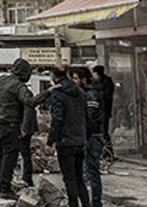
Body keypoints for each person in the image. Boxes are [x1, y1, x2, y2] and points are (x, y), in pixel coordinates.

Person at [0, 58, 37, 200]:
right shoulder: (19, 87)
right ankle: (5, 188)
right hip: (11, 127)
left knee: (3, 157)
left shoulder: (1, 81)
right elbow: (30, 103)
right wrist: (48, 92)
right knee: (9, 158)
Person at [47, 66, 90, 207]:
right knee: (79, 178)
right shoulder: (81, 92)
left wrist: (50, 141)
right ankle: (86, 204)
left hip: (65, 142)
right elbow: (85, 116)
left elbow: (57, 119)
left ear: (54, 76)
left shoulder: (58, 93)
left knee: (69, 178)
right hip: (79, 140)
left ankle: (73, 204)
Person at [74, 66, 105, 207]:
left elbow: (91, 118)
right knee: (87, 171)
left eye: (76, 79)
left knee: (92, 171)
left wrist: (85, 136)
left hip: (93, 137)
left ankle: (96, 202)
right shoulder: (86, 94)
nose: (74, 82)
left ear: (84, 80)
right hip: (90, 136)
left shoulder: (92, 95)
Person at [93, 65, 115, 141]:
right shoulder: (97, 82)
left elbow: (107, 95)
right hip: (99, 110)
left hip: (104, 109)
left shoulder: (106, 81)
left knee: (103, 130)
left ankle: (107, 149)